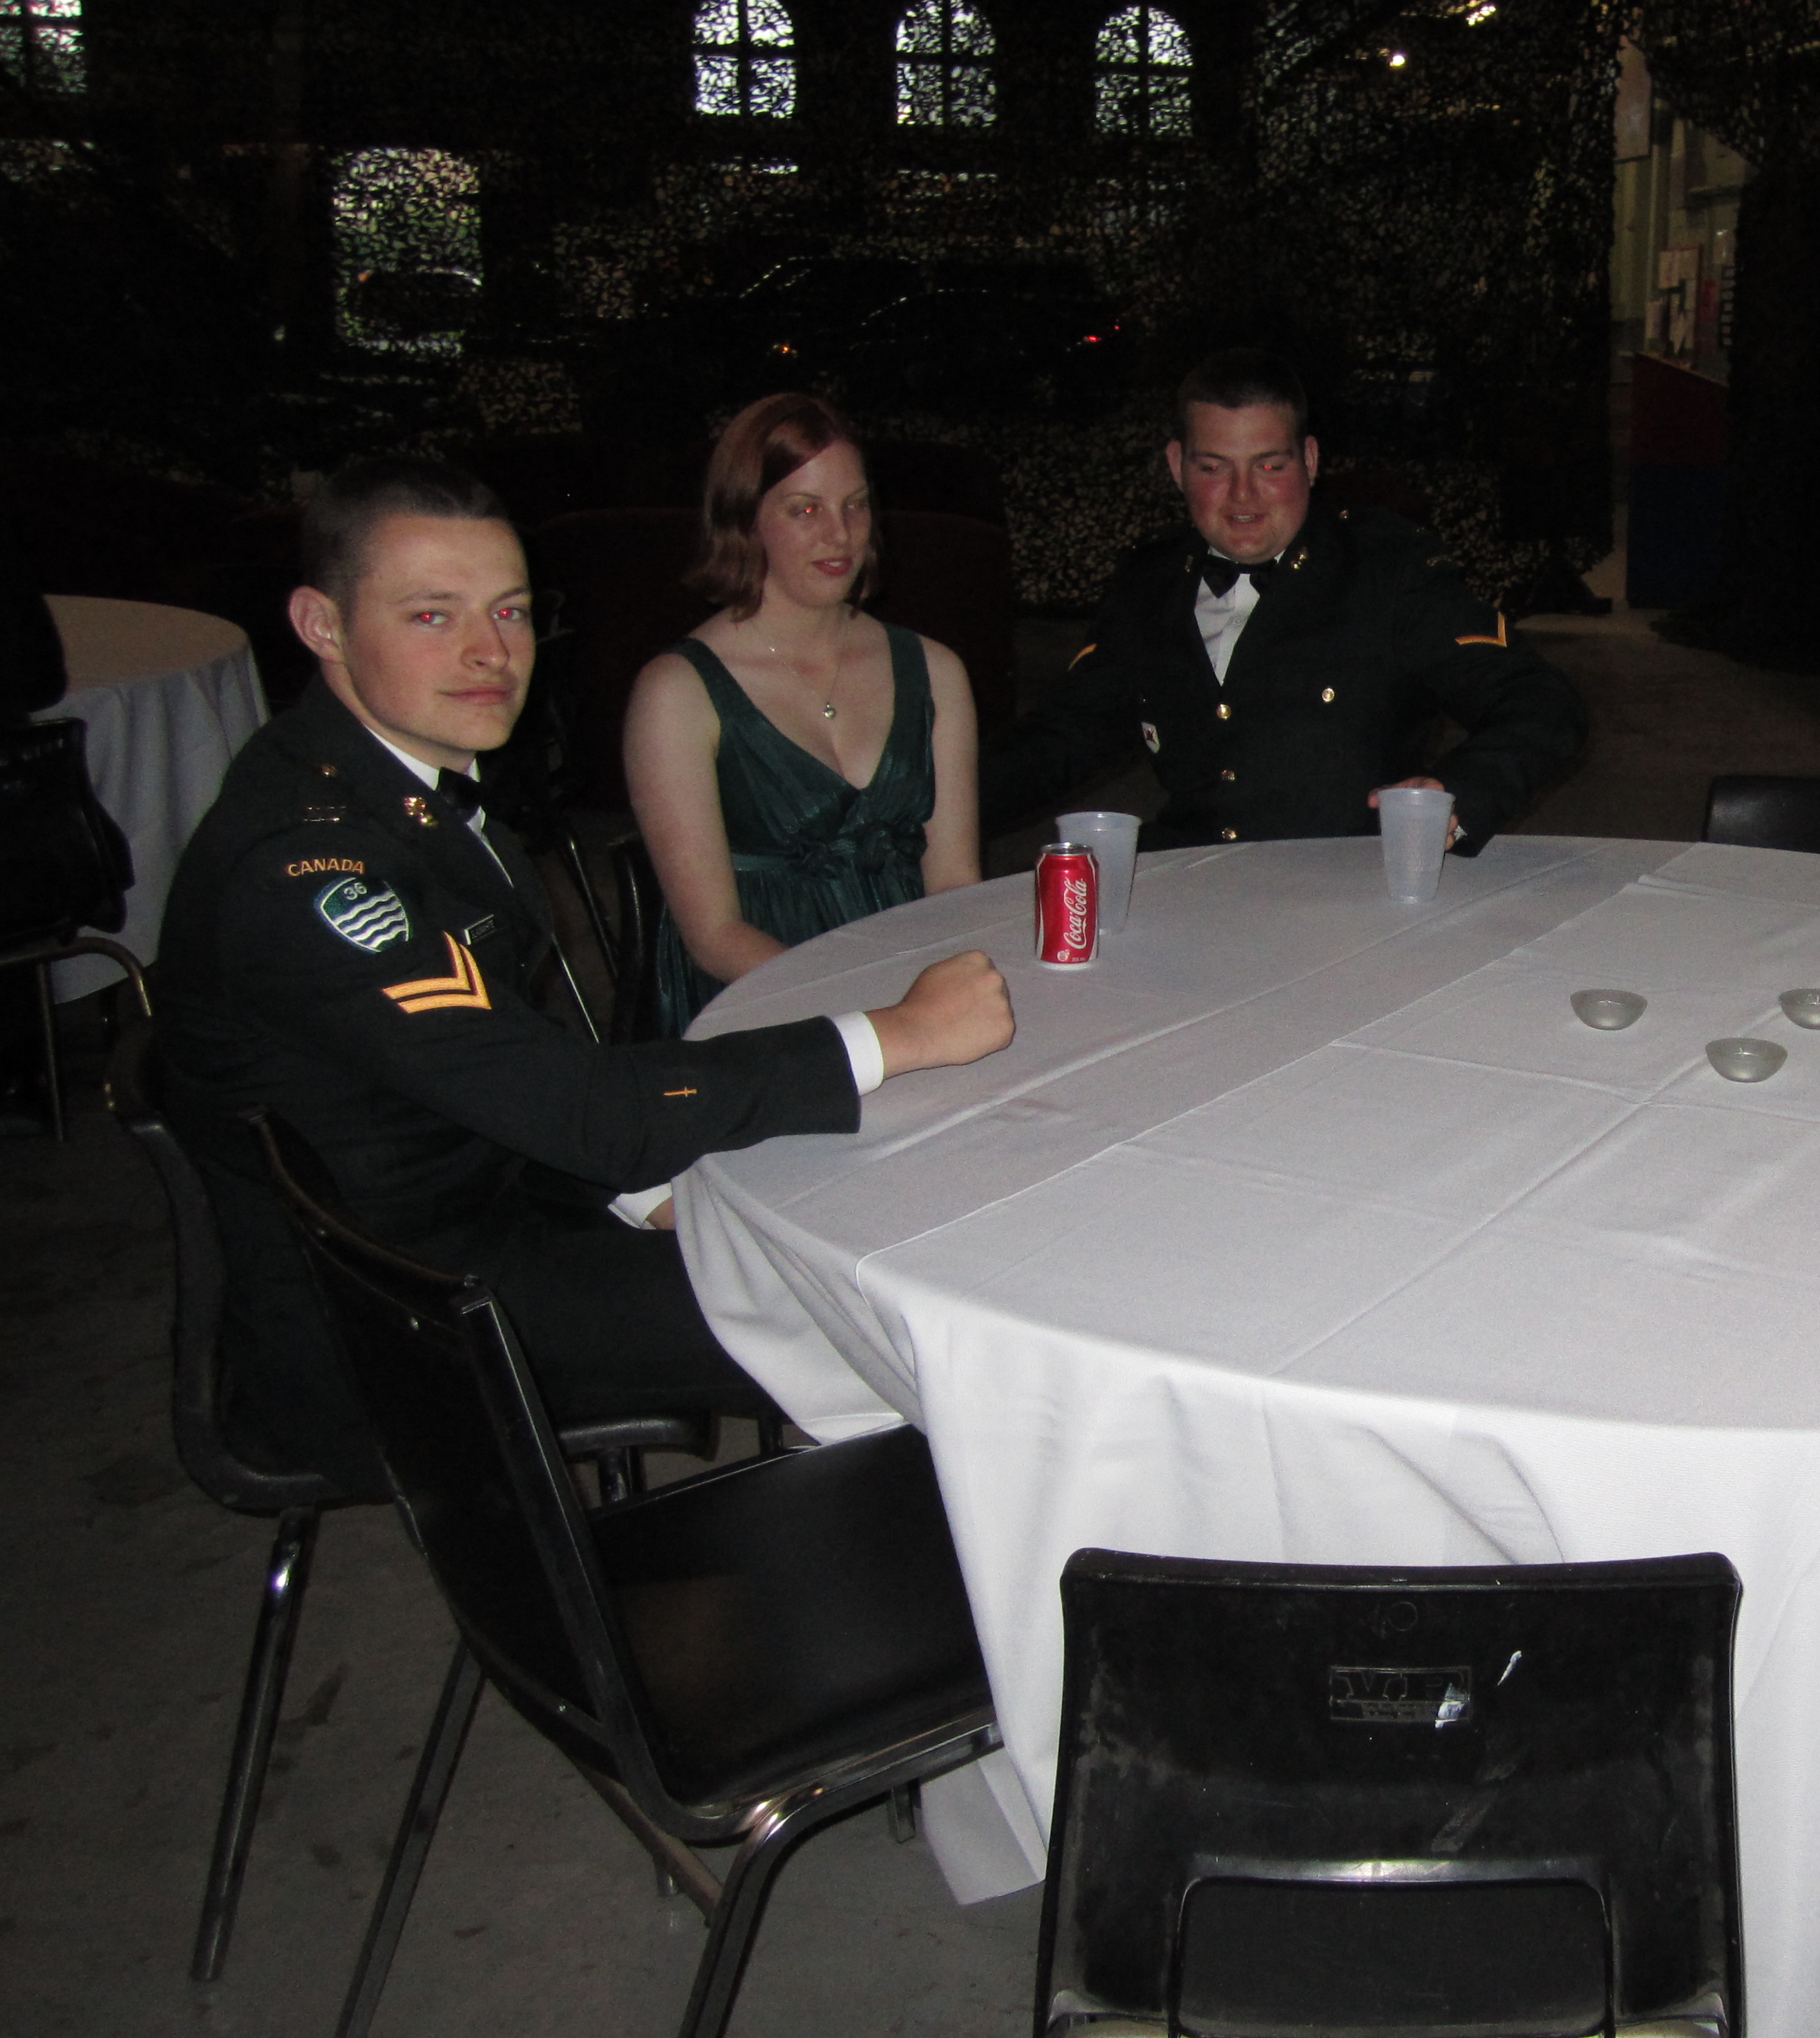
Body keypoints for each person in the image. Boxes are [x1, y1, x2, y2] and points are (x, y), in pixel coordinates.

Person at [151, 458, 1017, 1489]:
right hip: (402, 1310)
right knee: (902, 1313)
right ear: (320, 625)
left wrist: (648, 1190)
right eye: (431, 616)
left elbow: (505, 1070)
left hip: (479, 1200)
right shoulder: (307, 872)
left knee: (841, 1207)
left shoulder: (394, 783)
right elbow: (575, 1107)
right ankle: (907, 1559)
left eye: (510, 610)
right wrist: (897, 1034)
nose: (490, 652)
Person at [978, 348, 1586, 852]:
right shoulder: (1148, 585)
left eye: (1270, 466)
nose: (1243, 497)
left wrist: (1457, 794)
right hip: (1189, 889)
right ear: (1177, 465)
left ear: (1311, 461)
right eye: (1214, 468)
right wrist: (937, 806)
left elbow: (1541, 702)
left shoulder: (1386, 573)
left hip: (1347, 898)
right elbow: (1059, 742)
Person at [624, 394, 980, 1035]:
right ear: (744, 519)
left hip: (910, 982)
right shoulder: (677, 692)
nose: (840, 534)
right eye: (806, 510)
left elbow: (954, 882)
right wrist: (874, 1019)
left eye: (855, 505)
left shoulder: (935, 670)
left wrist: (939, 995)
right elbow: (714, 936)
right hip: (759, 1002)